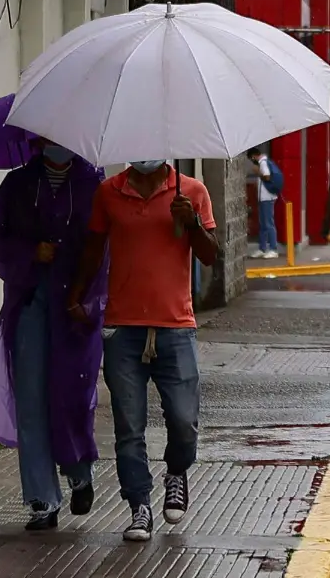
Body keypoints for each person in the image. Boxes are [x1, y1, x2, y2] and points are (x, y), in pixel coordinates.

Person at [0, 141, 107, 531]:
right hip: (30, 301)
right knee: (30, 398)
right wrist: (31, 252)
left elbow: (103, 245)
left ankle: (79, 470)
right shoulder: (19, 184)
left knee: (71, 394)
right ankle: (42, 500)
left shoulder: (90, 184)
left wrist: (89, 294)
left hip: (75, 307)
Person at [70, 160, 217, 542]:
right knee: (128, 428)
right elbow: (93, 247)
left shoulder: (192, 191)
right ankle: (139, 506)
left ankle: (176, 473)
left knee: (184, 421)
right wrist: (77, 295)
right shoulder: (109, 193)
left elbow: (210, 255)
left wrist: (193, 222)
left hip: (176, 327)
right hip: (123, 329)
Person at [246, 147, 279, 259]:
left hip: (267, 198)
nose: (252, 160)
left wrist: (257, 172)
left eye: (251, 158)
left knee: (268, 224)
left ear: (254, 155)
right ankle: (262, 248)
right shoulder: (264, 162)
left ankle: (273, 249)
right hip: (264, 198)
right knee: (264, 224)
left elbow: (267, 176)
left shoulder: (263, 163)